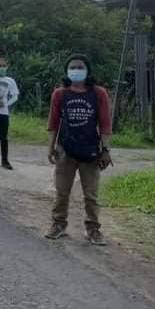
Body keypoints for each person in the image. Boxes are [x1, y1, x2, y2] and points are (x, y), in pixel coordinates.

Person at [45, 54, 112, 246]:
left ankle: (93, 229)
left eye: (80, 67)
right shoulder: (60, 94)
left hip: (90, 150)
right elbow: (53, 123)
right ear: (67, 71)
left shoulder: (98, 93)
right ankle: (58, 224)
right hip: (65, 149)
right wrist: (51, 147)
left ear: (88, 70)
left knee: (91, 194)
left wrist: (106, 150)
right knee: (62, 191)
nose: (76, 70)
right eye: (72, 67)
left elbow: (105, 123)